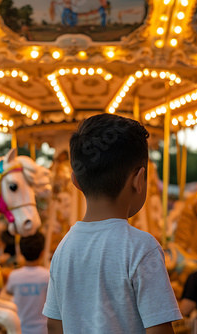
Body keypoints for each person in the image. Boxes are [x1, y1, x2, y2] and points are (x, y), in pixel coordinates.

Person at [43, 114, 181, 334]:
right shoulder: (144, 247)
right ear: (139, 180)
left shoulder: (63, 248)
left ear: (75, 181)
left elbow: (54, 324)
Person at [7, 232, 49, 334]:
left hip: (20, 328)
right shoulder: (47, 276)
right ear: (42, 253)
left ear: (21, 252)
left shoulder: (14, 276)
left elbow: (8, 293)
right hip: (43, 329)